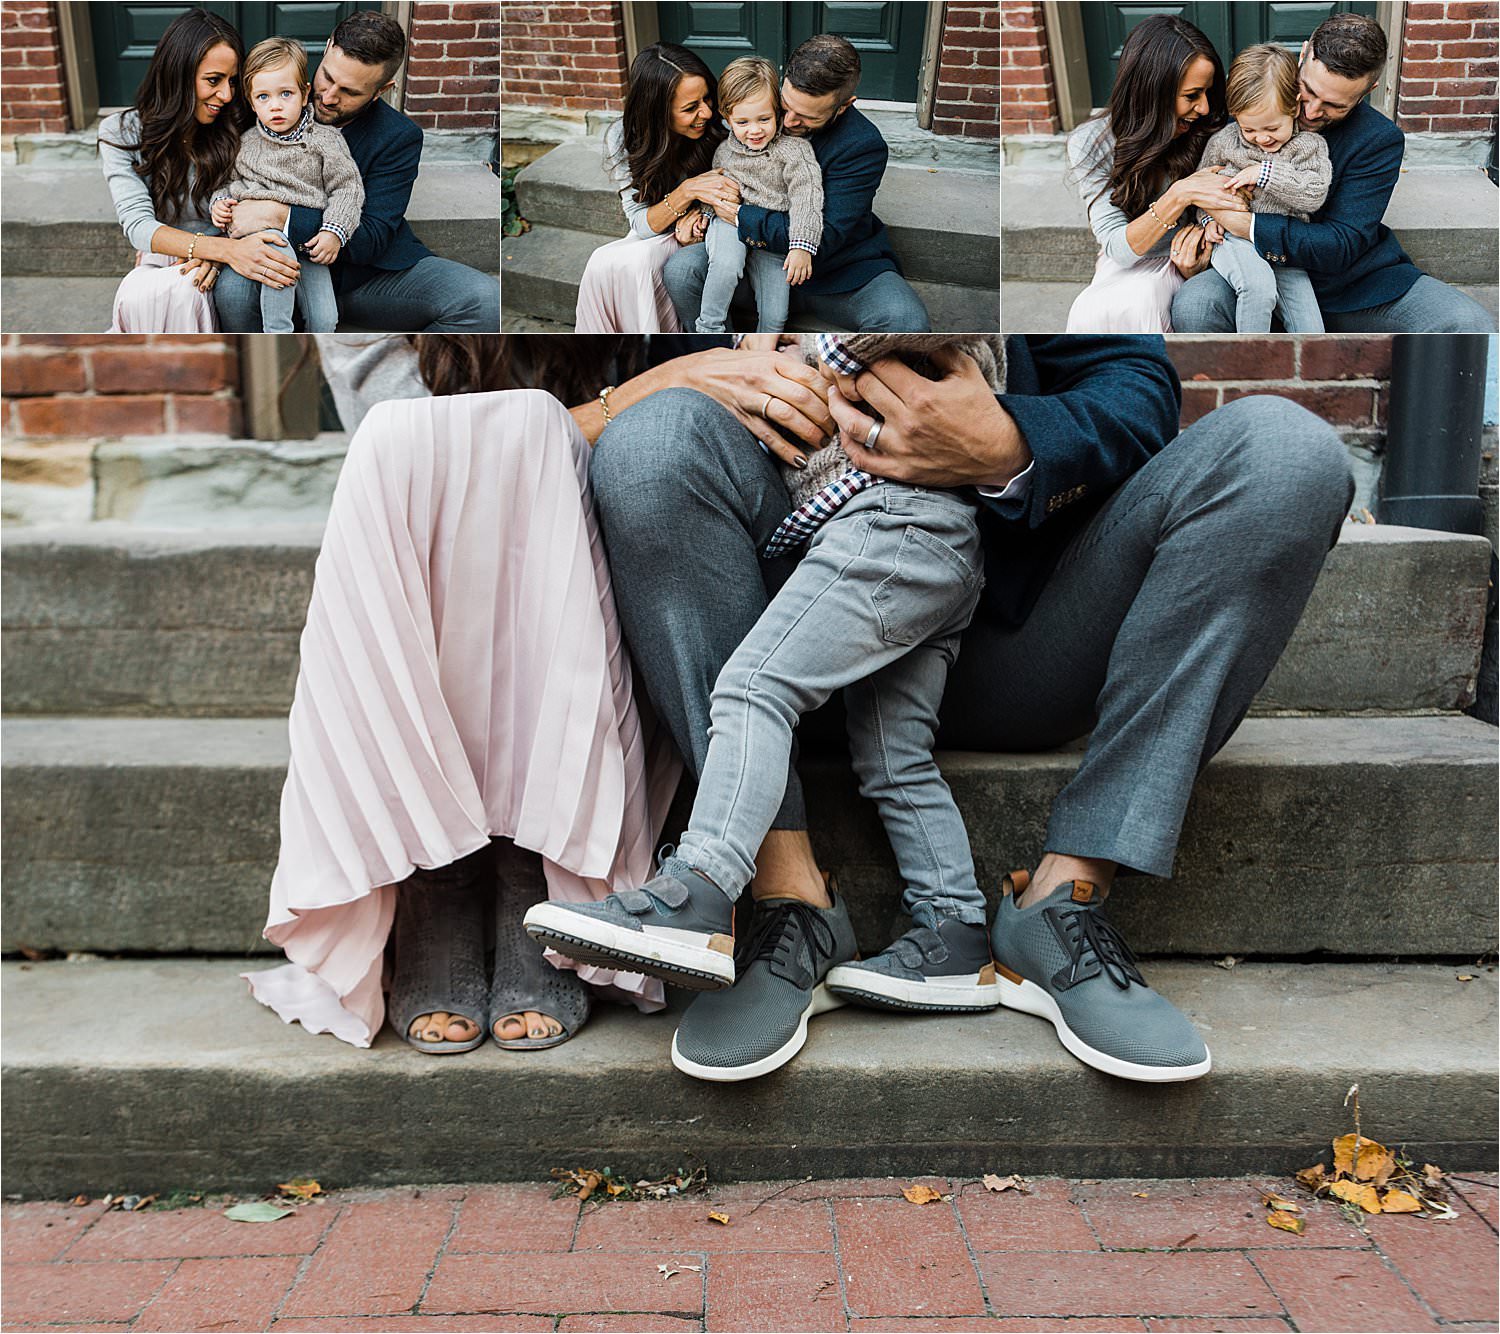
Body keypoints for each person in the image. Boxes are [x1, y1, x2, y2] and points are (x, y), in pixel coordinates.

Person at [586, 335, 1355, 1085]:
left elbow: (1136, 387)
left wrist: (1008, 443)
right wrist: (660, 382)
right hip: (775, 619)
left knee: (1284, 450)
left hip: (1018, 627)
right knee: (652, 438)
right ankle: (787, 898)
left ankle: (1063, 903)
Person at [242, 334, 866, 1054]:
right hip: (431, 559)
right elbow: (412, 443)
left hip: (613, 573)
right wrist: (647, 389)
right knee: (419, 456)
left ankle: (524, 864)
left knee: (639, 459)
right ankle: (442, 870)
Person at [526, 337, 1007, 1079]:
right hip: (934, 540)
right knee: (894, 757)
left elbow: (890, 332)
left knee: (753, 688)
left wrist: (800, 342)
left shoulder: (902, 327)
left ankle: (699, 890)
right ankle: (956, 935)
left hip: (892, 525)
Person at [1173, 12, 1493, 333]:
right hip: (1251, 270)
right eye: (1308, 91)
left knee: (1470, 325)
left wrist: (1246, 224)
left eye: (1334, 105)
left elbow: (1342, 242)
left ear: (1369, 90)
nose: (1311, 112)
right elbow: (1205, 183)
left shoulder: (1378, 140)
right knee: (1195, 304)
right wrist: (1205, 223)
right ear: (1303, 55)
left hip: (1351, 285)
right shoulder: (1253, 101)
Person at [213, 10, 498, 333]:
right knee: (232, 293)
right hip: (272, 264)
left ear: (382, 90)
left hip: (364, 279)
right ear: (328, 47)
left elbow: (372, 236)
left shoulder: (398, 136)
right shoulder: (269, 97)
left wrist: (281, 215)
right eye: (327, 78)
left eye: (350, 92)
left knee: (484, 300)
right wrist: (210, 245)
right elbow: (216, 180)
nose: (329, 97)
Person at [664, 35, 930, 333]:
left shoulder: (863, 146)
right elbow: (719, 169)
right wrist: (699, 212)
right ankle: (717, 346)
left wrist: (740, 215)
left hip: (835, 273)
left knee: (906, 320)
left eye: (806, 116)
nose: (788, 121)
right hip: (754, 259)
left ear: (843, 106)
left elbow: (827, 235)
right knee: (682, 271)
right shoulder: (756, 110)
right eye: (785, 105)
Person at [97, 7, 301, 332]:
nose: (227, 94)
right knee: (139, 297)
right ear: (177, 73)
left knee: (208, 291)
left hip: (225, 250)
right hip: (173, 256)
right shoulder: (121, 132)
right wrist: (217, 250)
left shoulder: (239, 126)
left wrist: (218, 251)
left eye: (233, 81)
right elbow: (138, 226)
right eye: (213, 80)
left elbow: (260, 199)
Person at [1064, 15, 1246, 333]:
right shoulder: (1091, 142)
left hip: (1201, 253)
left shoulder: (1216, 129)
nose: (1204, 107)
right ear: (1152, 93)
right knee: (1091, 312)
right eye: (1191, 96)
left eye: (1208, 92)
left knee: (1142, 301)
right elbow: (1119, 249)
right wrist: (1179, 194)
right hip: (1131, 259)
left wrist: (1196, 265)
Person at [574, 44, 731, 334]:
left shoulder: (724, 125)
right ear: (656, 111)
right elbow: (640, 223)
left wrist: (699, 214)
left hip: (709, 228)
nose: (707, 112)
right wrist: (687, 192)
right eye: (690, 108)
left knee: (637, 263)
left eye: (707, 98)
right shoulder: (622, 137)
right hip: (656, 227)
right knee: (602, 263)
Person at [211, 38, 364, 333]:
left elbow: (348, 188)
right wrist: (218, 204)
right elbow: (229, 186)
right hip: (264, 239)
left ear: (305, 93)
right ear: (251, 101)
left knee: (325, 318)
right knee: (278, 257)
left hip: (309, 243)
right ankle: (277, 339)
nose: (276, 106)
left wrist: (334, 231)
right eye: (264, 97)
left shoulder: (326, 140)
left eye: (285, 93)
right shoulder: (246, 144)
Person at [1196, 44, 1330, 333]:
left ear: (1294, 107)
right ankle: (1250, 366)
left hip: (1285, 251)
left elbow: (1315, 193)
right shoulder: (1224, 143)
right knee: (1259, 288)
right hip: (1232, 241)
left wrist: (1267, 173)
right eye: (1249, 129)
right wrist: (1207, 220)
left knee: (1311, 328)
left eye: (1271, 128)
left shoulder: (1309, 146)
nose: (1261, 138)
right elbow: (1201, 190)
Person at [694, 58, 823, 334]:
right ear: (726, 118)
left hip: (772, 236)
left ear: (777, 112)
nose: (754, 130)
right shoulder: (724, 152)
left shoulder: (794, 151)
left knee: (777, 314)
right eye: (742, 121)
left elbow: (807, 197)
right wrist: (705, 214)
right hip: (729, 222)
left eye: (764, 119)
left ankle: (764, 351)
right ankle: (709, 328)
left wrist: (802, 245)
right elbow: (716, 190)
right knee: (726, 265)